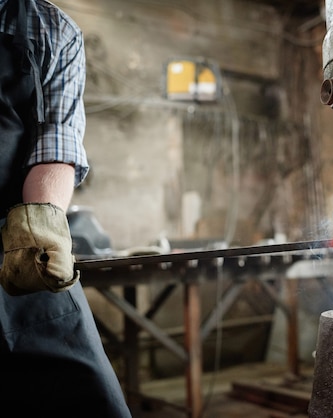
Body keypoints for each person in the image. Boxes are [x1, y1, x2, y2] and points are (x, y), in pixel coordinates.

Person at [0, 1, 132, 416]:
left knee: (87, 399)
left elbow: (54, 143)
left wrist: (39, 228)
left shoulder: (49, 26)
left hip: (14, 250)